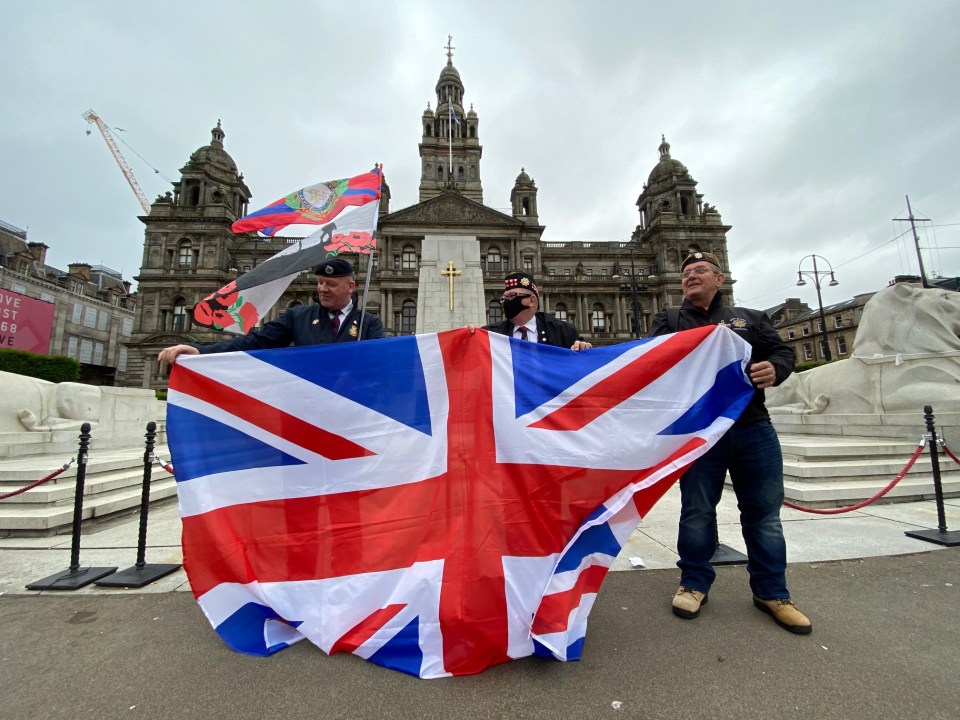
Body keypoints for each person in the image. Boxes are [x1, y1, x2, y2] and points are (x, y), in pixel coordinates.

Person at [649, 251, 811, 634]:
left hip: (752, 426)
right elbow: (649, 362)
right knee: (698, 510)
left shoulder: (750, 319)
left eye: (700, 270)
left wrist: (777, 368)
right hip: (701, 432)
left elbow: (782, 352)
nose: (691, 275)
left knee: (764, 516)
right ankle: (693, 583)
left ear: (719, 279)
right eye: (686, 272)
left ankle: (773, 593)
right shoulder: (669, 320)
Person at [157, 258, 384, 365]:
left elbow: (379, 366)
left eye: (330, 284)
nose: (322, 289)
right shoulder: (299, 316)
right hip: (303, 413)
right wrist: (201, 351)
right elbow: (256, 342)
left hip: (351, 416)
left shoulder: (369, 323)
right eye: (320, 283)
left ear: (351, 287)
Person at [482, 271, 592, 351]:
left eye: (511, 296)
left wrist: (583, 350)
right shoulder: (489, 334)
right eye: (504, 298)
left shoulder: (564, 332)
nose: (506, 301)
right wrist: (467, 337)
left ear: (532, 301)